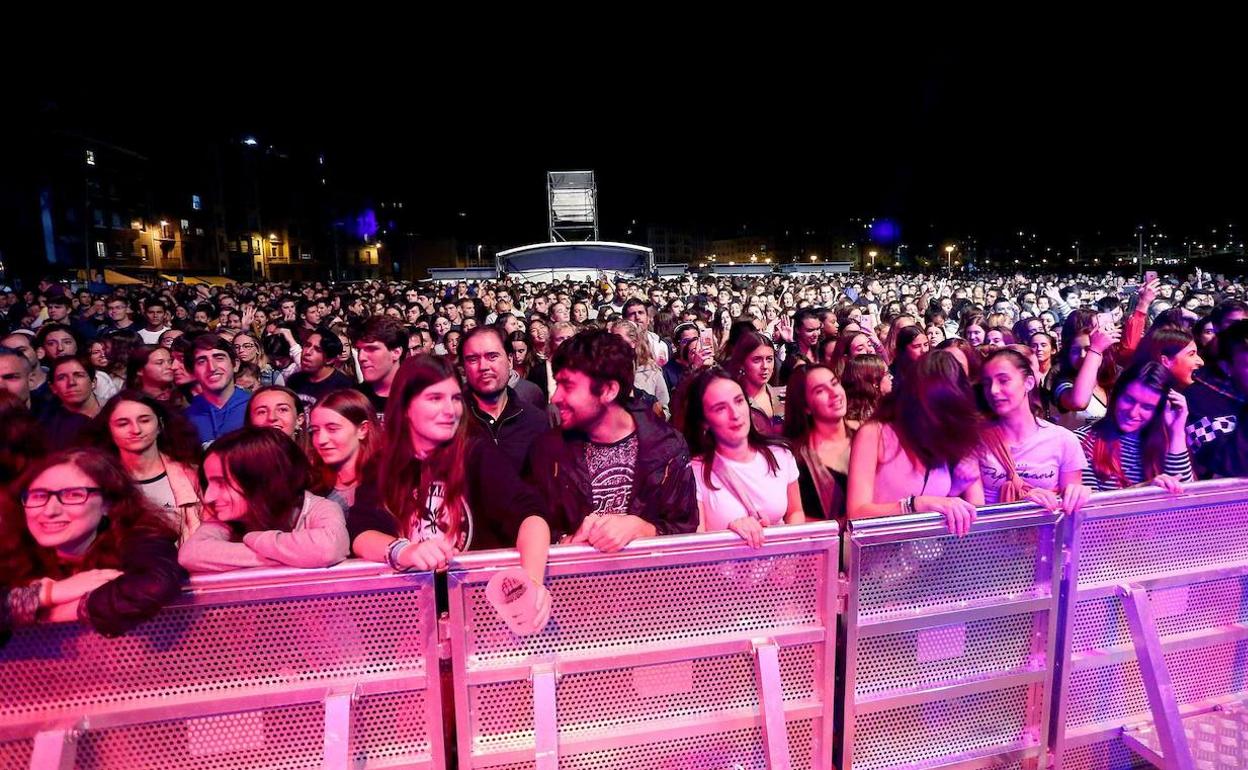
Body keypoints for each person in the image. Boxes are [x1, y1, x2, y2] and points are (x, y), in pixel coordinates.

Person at [346, 356, 551, 632]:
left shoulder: (476, 454)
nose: (450, 409)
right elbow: (361, 532)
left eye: (455, 398)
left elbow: (531, 515)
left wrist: (533, 582)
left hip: (477, 618)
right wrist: (405, 551)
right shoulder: (383, 464)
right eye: (435, 398)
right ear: (405, 407)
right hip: (409, 620)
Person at [527, 329, 697, 551]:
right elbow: (529, 522)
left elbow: (685, 527)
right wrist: (568, 543)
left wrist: (644, 529)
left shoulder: (667, 447)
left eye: (568, 386)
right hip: (574, 573)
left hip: (650, 572)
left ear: (608, 390)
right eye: (557, 385)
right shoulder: (548, 451)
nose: (556, 397)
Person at [1, 448, 184, 639]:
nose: (50, 511)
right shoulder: (12, 549)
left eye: (73, 495)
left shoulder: (141, 539)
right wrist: (48, 594)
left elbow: (156, 583)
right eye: (39, 495)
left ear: (108, 503)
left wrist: (58, 613)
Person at [847, 351, 985, 535]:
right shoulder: (875, 433)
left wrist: (956, 490)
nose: (938, 420)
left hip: (932, 549)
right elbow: (856, 513)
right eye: (933, 410)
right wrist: (914, 505)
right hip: (879, 548)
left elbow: (974, 514)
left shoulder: (952, 437)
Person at [178, 428, 350, 572]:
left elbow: (328, 549)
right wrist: (292, 556)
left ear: (262, 479)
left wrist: (255, 539)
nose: (209, 497)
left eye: (221, 483)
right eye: (209, 484)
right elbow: (191, 554)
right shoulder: (226, 519)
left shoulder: (320, 508)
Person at [680, 368, 803, 547]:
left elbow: (795, 512)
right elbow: (698, 545)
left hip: (783, 562)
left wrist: (791, 545)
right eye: (720, 408)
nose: (735, 414)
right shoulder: (694, 472)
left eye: (739, 401)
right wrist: (730, 534)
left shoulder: (780, 454)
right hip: (724, 564)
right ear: (704, 422)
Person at [976, 348, 1090, 511]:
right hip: (993, 526)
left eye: (1003, 380)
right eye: (987, 384)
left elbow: (1069, 510)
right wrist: (1021, 504)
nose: (993, 390)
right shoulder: (977, 440)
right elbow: (973, 509)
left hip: (1045, 526)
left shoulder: (1063, 440)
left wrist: (1077, 494)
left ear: (1028, 383)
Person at [88, 390, 204, 540]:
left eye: (144, 420)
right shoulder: (99, 482)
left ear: (160, 425)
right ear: (109, 430)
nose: (136, 430)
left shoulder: (192, 475)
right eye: (123, 424)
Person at [1076, 361, 1194, 492]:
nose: (1133, 413)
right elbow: (1092, 503)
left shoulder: (1166, 442)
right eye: (1129, 400)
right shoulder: (1083, 440)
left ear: (1158, 411)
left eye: (1147, 407)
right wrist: (1144, 489)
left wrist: (1177, 432)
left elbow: (1184, 496)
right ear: (1116, 394)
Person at [461, 326, 550, 473]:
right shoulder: (450, 422)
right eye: (473, 359)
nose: (483, 367)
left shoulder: (535, 421)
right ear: (463, 367)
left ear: (509, 360)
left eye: (492, 356)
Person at [784, 364, 852, 524]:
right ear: (806, 406)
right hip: (822, 538)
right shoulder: (794, 458)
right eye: (820, 391)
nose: (834, 393)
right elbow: (793, 516)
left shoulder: (867, 439)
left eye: (835, 383)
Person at [308, 390, 379, 511]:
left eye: (332, 429)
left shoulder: (387, 482)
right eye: (315, 431)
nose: (321, 440)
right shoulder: (312, 484)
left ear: (362, 429)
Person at [183, 336, 250, 446]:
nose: (212, 368)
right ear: (192, 372)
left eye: (219, 358)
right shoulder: (185, 419)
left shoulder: (256, 407)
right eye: (202, 361)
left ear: (235, 365)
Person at [354, 316, 407, 424]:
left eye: (371, 349)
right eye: (359, 350)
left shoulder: (418, 395)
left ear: (396, 352)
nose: (361, 357)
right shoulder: (353, 399)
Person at [611, 319, 670, 416]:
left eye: (618, 339)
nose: (614, 343)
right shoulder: (606, 370)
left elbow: (664, 408)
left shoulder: (651, 372)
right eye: (611, 338)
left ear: (633, 342)